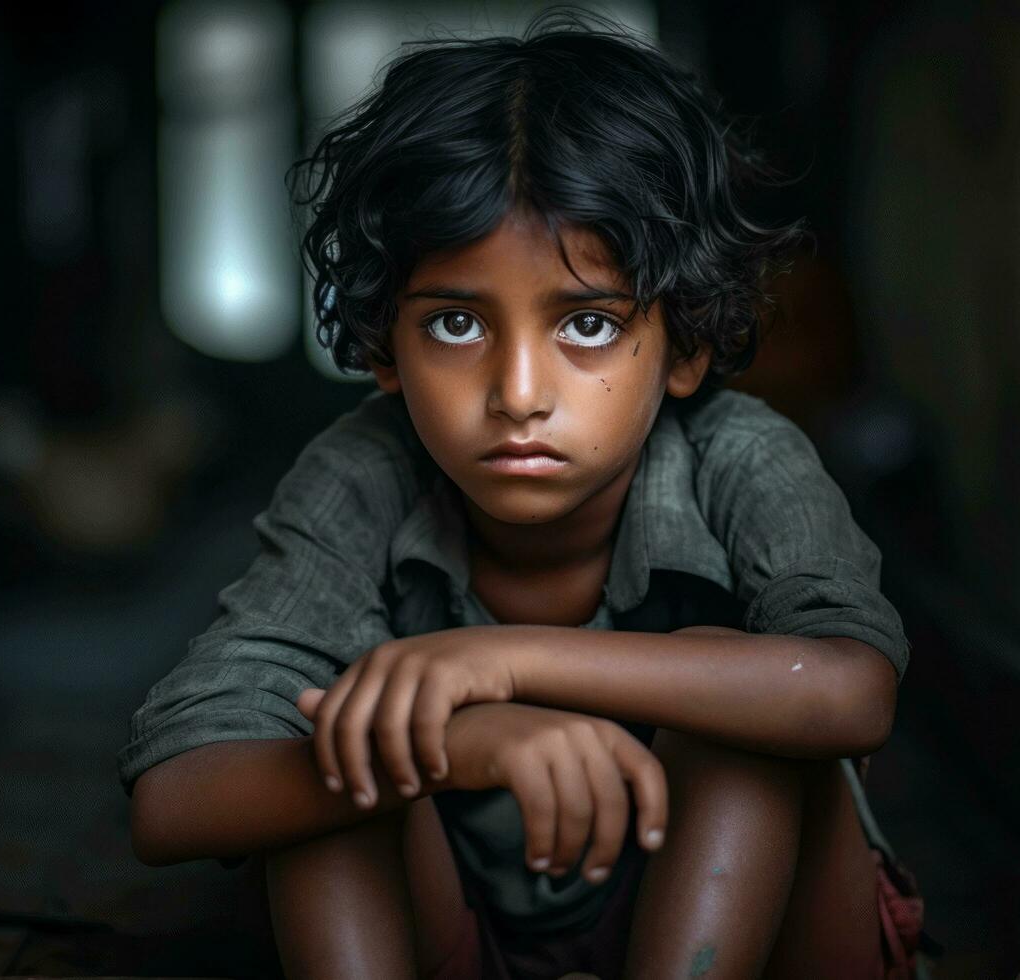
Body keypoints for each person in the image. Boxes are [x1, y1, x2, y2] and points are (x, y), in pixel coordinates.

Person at [119, 9, 925, 979]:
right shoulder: (361, 474)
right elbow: (170, 798)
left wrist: (496, 661)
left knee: (745, 708)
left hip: (751, 938)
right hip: (463, 939)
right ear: (383, 345)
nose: (516, 394)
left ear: (685, 344)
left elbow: (851, 690)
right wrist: (459, 742)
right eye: (456, 324)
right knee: (340, 753)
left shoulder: (739, 456)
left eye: (585, 323)